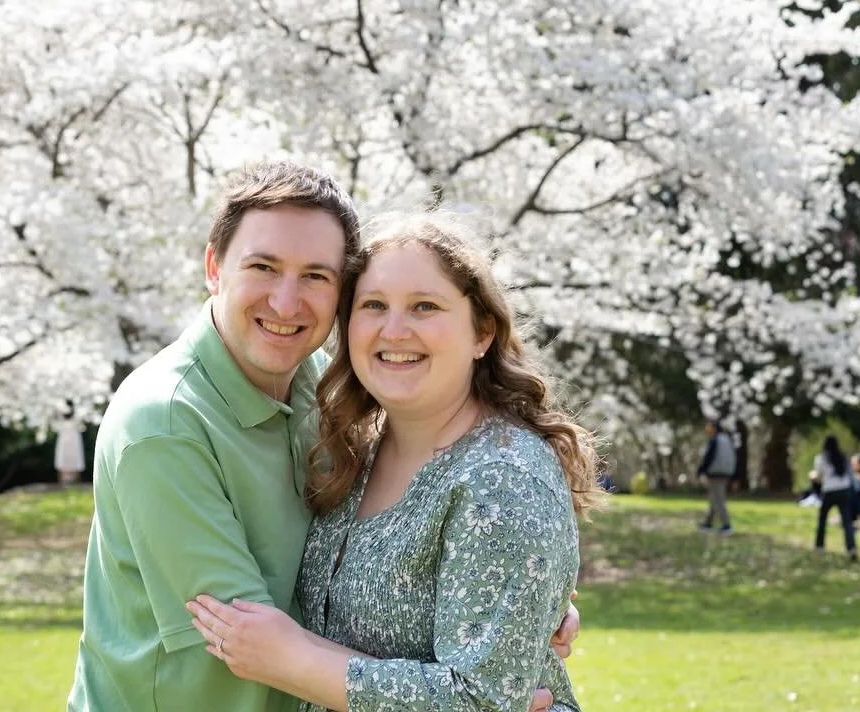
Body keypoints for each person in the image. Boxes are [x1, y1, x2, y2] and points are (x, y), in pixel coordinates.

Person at [67, 165, 578, 712]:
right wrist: (495, 651)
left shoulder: (326, 393)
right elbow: (252, 641)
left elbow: (305, 638)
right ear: (214, 267)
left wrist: (517, 602)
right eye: (264, 267)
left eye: (315, 275)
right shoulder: (164, 424)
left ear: (482, 331)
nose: (286, 304)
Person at [186, 213, 599, 712]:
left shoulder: (502, 479)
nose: (395, 330)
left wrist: (292, 659)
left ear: (482, 332)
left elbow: (480, 702)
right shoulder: (352, 447)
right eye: (374, 305)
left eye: (425, 306)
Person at [811, 435, 857, 560]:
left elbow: (817, 476)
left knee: (822, 520)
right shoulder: (843, 458)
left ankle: (819, 547)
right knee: (847, 522)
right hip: (844, 491)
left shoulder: (821, 459)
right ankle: (851, 549)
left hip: (829, 491)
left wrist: (814, 480)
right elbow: (851, 475)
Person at [696, 419, 736, 534]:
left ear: (713, 428)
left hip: (715, 473)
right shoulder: (726, 439)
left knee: (718, 499)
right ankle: (708, 523)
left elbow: (709, 457)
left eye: (708, 426)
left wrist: (701, 470)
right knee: (714, 498)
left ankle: (726, 525)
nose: (706, 429)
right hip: (725, 473)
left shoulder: (715, 440)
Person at [53, 402, 86, 486]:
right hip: (64, 442)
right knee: (63, 460)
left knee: (74, 460)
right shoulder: (61, 419)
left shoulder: (77, 418)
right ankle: (62, 483)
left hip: (74, 441)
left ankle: (76, 482)